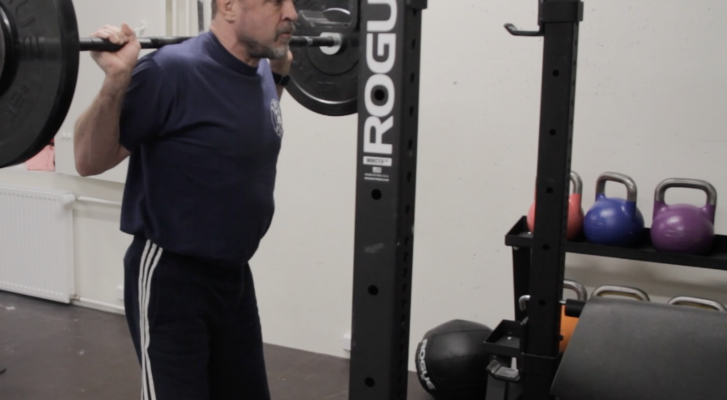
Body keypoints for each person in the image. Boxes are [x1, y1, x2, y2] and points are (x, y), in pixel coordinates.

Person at [73, 0, 298, 398]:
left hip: (234, 277)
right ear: (229, 7)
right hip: (172, 279)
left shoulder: (262, 69)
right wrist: (117, 78)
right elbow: (88, 160)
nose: (292, 13)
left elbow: (250, 120)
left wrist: (280, 70)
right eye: (275, 2)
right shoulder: (170, 70)